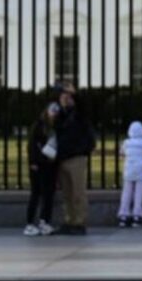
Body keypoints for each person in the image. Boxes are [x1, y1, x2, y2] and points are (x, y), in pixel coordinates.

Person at [53, 82, 95, 235]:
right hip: (63, 157)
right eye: (65, 96)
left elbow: (83, 107)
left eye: (69, 96)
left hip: (77, 157)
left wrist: (75, 95)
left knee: (78, 192)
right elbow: (55, 128)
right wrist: (62, 108)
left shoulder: (79, 114)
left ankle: (80, 222)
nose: (67, 98)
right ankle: (69, 220)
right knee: (67, 194)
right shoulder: (61, 114)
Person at [24, 102, 60, 236]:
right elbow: (32, 145)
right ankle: (30, 224)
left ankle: (44, 222)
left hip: (50, 165)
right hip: (39, 164)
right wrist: (33, 162)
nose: (54, 114)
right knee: (36, 193)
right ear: (47, 111)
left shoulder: (56, 126)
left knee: (49, 195)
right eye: (52, 111)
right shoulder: (38, 125)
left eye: (56, 112)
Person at [117, 120, 142, 228]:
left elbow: (122, 152)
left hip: (129, 172)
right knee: (139, 193)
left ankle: (123, 215)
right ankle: (137, 216)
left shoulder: (127, 143)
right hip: (141, 172)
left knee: (126, 192)